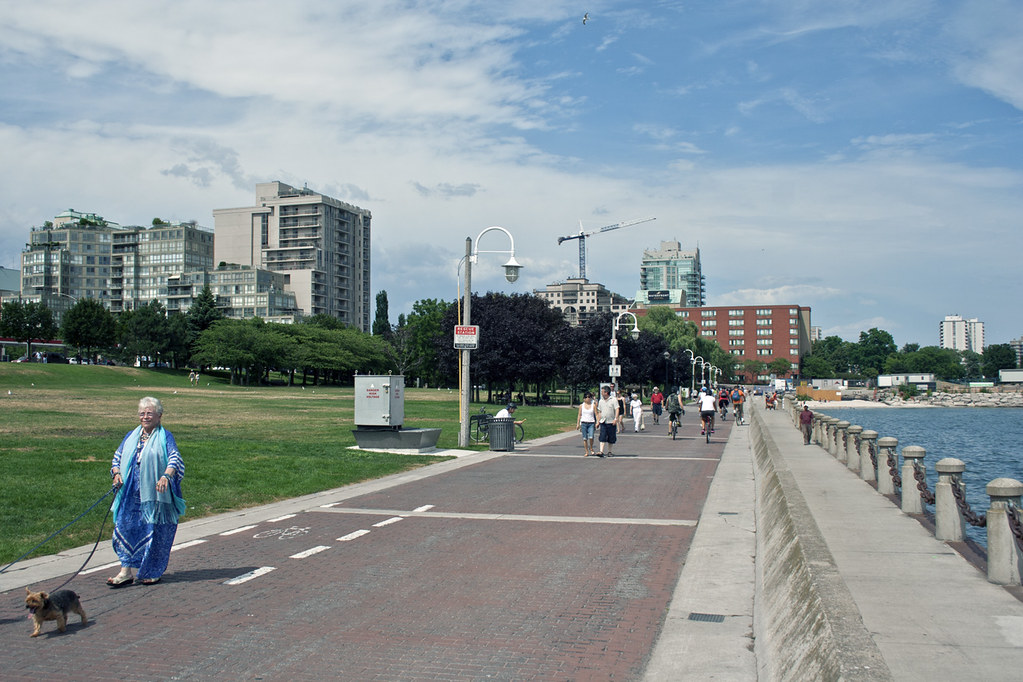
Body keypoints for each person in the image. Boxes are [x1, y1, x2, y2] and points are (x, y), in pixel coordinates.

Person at [107, 397, 186, 587]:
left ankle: (151, 571)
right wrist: (116, 473)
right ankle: (125, 571)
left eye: (149, 413)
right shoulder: (131, 436)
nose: (145, 417)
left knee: (153, 531)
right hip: (129, 492)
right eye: (142, 413)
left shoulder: (165, 436)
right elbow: (117, 457)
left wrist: (166, 476)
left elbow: (174, 458)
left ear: (159, 416)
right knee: (124, 527)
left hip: (154, 495)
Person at [596, 386, 619, 457]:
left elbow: (617, 409)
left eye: (602, 392)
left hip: (611, 421)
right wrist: (598, 421)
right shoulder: (601, 401)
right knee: (602, 436)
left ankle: (610, 451)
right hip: (603, 421)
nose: (601, 393)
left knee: (611, 437)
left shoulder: (613, 400)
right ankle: (601, 451)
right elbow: (599, 411)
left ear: (606, 392)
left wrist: (615, 419)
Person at [577, 392, 597, 456]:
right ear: (584, 399)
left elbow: (596, 414)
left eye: (589, 397)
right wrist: (578, 424)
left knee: (591, 437)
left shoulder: (593, 405)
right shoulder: (581, 406)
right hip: (584, 423)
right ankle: (586, 451)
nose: (588, 398)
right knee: (585, 438)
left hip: (591, 423)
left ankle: (591, 447)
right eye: (586, 397)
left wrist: (597, 422)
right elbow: (579, 415)